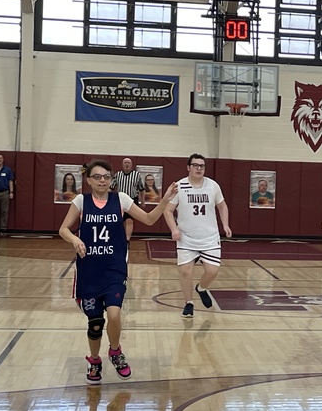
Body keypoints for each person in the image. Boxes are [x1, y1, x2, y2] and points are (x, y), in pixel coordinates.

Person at [58, 159, 177, 384]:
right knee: (95, 323)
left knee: (114, 314)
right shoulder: (81, 201)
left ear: (111, 180)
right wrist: (74, 239)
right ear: (89, 180)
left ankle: (115, 351)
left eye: (106, 176)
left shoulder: (120, 199)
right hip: (88, 270)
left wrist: (164, 200)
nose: (102, 180)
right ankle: (94, 361)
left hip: (114, 268)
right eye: (97, 176)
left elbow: (150, 220)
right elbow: (63, 229)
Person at [164, 154, 232, 318]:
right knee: (186, 272)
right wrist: (174, 229)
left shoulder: (212, 186)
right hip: (186, 237)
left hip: (209, 237)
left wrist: (225, 224)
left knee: (212, 271)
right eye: (195, 165)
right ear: (188, 167)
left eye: (202, 165)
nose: (199, 168)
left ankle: (201, 288)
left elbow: (222, 206)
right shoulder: (180, 186)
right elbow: (167, 210)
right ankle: (189, 303)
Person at [110, 158, 145, 243]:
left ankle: (127, 240)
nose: (127, 164)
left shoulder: (137, 175)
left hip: (132, 200)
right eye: (125, 163)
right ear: (122, 164)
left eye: (128, 163)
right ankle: (120, 238)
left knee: (129, 220)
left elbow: (142, 189)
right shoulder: (118, 175)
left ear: (131, 165)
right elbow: (111, 188)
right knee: (119, 221)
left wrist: (143, 201)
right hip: (120, 200)